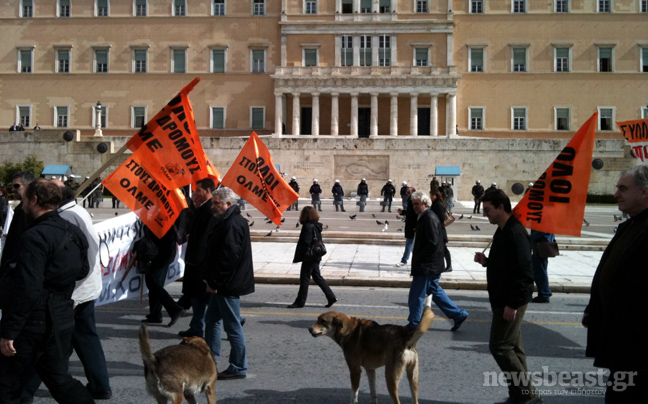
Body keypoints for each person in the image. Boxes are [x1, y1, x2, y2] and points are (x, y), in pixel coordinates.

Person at [0, 179, 95, 403]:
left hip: (34, 322)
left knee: (7, 385)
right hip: (61, 316)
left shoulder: (34, 237)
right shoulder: (72, 231)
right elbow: (83, 269)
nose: (22, 205)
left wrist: (9, 332)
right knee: (59, 380)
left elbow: (28, 289)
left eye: (24, 200)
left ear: (33, 200)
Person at [21, 180, 112, 401]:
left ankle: (25, 392)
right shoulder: (76, 211)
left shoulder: (67, 217)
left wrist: (67, 285)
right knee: (77, 339)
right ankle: (99, 385)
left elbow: (86, 260)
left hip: (75, 293)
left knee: (52, 347)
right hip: (79, 290)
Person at [583, 165, 648, 403]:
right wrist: (594, 307)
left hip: (638, 344)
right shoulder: (629, 225)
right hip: (622, 340)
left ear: (645, 193)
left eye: (623, 188)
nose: (616, 193)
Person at [473, 189, 541, 404]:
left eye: (488, 210)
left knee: (500, 347)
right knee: (514, 349)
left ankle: (528, 394)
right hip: (502, 299)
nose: (485, 214)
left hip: (510, 301)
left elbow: (525, 274)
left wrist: (512, 304)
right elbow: (505, 265)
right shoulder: (502, 230)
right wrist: (486, 262)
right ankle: (519, 395)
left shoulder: (515, 232)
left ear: (501, 207)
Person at [203, 187, 254, 380]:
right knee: (212, 321)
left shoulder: (231, 224)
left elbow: (228, 258)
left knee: (232, 326)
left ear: (228, 204)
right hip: (224, 282)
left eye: (217, 203)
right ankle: (210, 360)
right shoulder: (229, 221)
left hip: (226, 284)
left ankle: (239, 366)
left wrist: (214, 281)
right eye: (213, 202)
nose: (213, 206)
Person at [406, 191, 469, 331]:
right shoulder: (424, 217)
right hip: (432, 265)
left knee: (416, 295)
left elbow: (432, 243)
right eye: (413, 204)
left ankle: (413, 324)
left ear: (424, 203)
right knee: (435, 291)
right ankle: (458, 315)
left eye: (417, 204)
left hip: (427, 266)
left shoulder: (428, 218)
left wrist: (421, 260)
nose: (414, 206)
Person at [178, 178, 216, 338]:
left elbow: (204, 239)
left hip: (199, 263)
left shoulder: (209, 210)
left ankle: (233, 319)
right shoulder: (202, 209)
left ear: (207, 191)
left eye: (197, 190)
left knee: (202, 298)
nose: (195, 194)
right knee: (199, 298)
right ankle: (196, 327)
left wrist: (195, 261)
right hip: (198, 262)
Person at [287, 206, 336, 309]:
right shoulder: (317, 226)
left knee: (304, 279)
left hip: (309, 257)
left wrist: (301, 255)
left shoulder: (308, 226)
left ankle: (300, 302)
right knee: (317, 277)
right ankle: (331, 297)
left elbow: (306, 242)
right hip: (316, 255)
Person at [139, 224, 185, 327]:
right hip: (159, 255)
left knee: (153, 284)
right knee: (155, 284)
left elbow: (162, 240)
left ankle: (174, 309)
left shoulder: (163, 222)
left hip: (160, 257)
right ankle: (155, 314)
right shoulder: (156, 218)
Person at [0, 171, 35, 273]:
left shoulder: (29, 211)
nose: (13, 189)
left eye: (16, 186)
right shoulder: (21, 209)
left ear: (28, 186)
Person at [430, 189, 453, 273]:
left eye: (432, 195)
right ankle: (442, 265)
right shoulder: (436, 204)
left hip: (440, 231)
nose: (430, 197)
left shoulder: (438, 204)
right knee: (440, 249)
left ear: (436, 196)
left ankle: (449, 265)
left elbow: (441, 218)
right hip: (437, 230)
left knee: (444, 249)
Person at [529, 230, 555, 304]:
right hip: (541, 244)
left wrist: (529, 238)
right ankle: (545, 292)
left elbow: (542, 231)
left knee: (540, 270)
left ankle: (544, 293)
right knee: (539, 269)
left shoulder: (545, 220)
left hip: (541, 245)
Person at [396, 187, 416, 267]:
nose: (406, 194)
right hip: (410, 224)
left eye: (408, 192)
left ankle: (404, 260)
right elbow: (410, 212)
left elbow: (414, 213)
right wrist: (402, 212)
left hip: (414, 225)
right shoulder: (410, 200)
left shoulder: (415, 201)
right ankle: (406, 260)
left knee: (410, 244)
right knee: (410, 243)